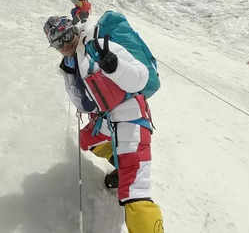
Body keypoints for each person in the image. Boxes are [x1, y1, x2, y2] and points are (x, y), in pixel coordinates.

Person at [43, 15, 164, 233]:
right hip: (106, 120)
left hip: (130, 118)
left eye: (68, 35)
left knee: (133, 193)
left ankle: (127, 173)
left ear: (75, 30)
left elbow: (141, 78)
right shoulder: (70, 64)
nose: (66, 43)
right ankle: (120, 165)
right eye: (58, 42)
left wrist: (115, 67)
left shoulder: (97, 46)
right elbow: (86, 102)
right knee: (86, 140)